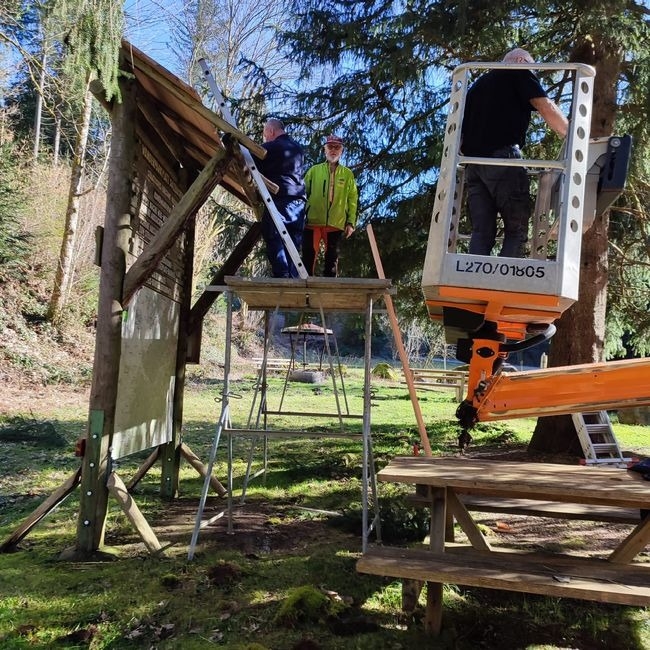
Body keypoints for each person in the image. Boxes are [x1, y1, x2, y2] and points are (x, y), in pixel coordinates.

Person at [461, 48, 569, 258]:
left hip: (474, 166)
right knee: (516, 229)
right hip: (503, 160)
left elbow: (462, 136)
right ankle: (505, 277)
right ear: (520, 60)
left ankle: (475, 275)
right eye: (533, 69)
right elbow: (544, 105)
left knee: (481, 232)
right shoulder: (518, 71)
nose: (533, 74)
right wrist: (572, 133)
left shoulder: (477, 87)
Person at [254, 118, 306, 278]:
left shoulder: (272, 147)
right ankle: (293, 277)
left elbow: (251, 158)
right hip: (299, 201)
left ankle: (282, 275)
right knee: (293, 241)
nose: (265, 139)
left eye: (265, 135)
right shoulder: (298, 148)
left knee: (273, 233)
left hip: (281, 198)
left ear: (271, 131)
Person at [302, 134, 358, 277]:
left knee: (332, 259)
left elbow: (352, 199)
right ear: (324, 149)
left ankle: (330, 287)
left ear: (341, 151)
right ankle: (305, 287)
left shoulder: (348, 174)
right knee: (308, 256)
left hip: (336, 222)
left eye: (337, 147)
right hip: (313, 221)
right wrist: (300, 215)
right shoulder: (314, 170)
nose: (333, 150)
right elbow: (303, 194)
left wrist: (351, 222)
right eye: (330, 147)